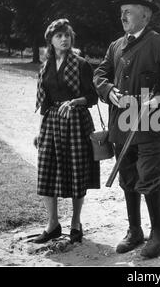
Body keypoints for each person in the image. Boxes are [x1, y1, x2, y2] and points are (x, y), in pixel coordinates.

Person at [93, 0, 160, 258]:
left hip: (150, 125)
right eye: (121, 11)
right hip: (122, 126)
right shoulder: (116, 46)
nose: (123, 15)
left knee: (150, 178)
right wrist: (108, 89)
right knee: (128, 179)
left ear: (145, 15)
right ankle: (135, 230)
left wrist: (158, 100)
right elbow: (100, 73)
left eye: (129, 11)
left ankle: (158, 233)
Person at [33, 18, 100, 244]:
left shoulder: (81, 64)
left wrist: (74, 102)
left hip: (76, 123)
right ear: (50, 40)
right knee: (46, 173)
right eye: (59, 35)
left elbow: (92, 97)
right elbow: (44, 102)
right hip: (52, 123)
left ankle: (76, 223)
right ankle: (52, 224)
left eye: (67, 35)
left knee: (76, 174)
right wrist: (40, 131)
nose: (64, 39)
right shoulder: (45, 67)